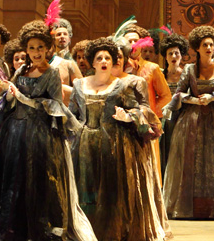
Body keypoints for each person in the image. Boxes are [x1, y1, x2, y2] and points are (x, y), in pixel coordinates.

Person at [0, 20, 95, 241]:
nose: (36, 52)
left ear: (47, 48)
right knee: (14, 180)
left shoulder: (52, 73)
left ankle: (43, 230)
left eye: (40, 47)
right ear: (26, 49)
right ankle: (15, 230)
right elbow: (9, 100)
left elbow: (55, 105)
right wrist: (10, 96)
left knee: (39, 180)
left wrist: (24, 98)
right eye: (32, 48)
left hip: (41, 135)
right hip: (15, 133)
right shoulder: (21, 70)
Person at [69, 38, 165, 241]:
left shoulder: (123, 85)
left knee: (110, 194)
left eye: (108, 58)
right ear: (92, 62)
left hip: (113, 145)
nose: (104, 61)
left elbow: (143, 110)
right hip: (83, 147)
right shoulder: (79, 84)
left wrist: (129, 117)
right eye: (99, 58)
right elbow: (72, 114)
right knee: (85, 192)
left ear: (113, 61)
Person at [162, 25, 214, 220]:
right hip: (192, 123)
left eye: (211, 44)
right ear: (197, 48)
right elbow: (178, 94)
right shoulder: (189, 69)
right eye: (204, 44)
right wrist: (193, 100)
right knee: (192, 163)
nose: (209, 48)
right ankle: (192, 208)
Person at [159, 33, 188, 178]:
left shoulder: (187, 75)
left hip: (182, 117)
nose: (173, 56)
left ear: (181, 56)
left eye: (176, 53)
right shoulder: (160, 75)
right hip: (163, 119)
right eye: (170, 53)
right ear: (165, 57)